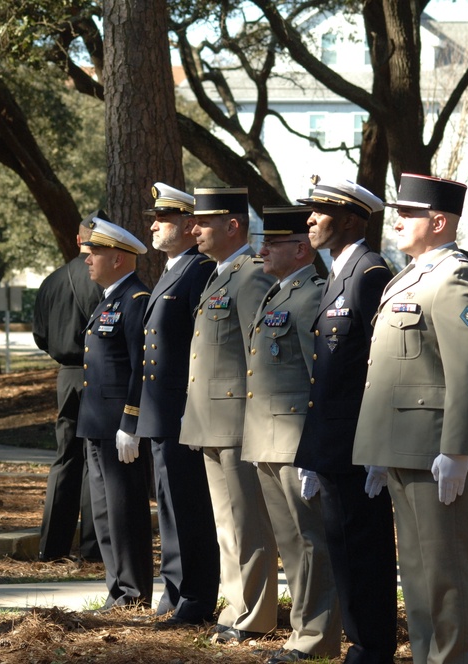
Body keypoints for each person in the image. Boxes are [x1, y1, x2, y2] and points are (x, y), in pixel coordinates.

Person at [353, 173, 468, 664]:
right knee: (416, 573)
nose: (398, 220)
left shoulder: (455, 277)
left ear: (438, 221)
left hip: (436, 448)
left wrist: (457, 449)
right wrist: (378, 446)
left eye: (409, 213)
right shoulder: (411, 274)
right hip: (403, 445)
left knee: (447, 573)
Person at [294, 178, 397, 664]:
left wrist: (377, 445)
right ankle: (361, 642)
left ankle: (372, 645)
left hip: (359, 441)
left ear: (353, 220)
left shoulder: (370, 273)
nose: (309, 220)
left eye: (320, 212)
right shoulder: (339, 272)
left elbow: (380, 365)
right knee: (343, 546)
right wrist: (313, 448)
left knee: (365, 547)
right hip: (334, 440)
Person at [241, 205, 341, 663]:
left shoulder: (310, 296)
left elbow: (320, 378)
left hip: (296, 442)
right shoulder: (278, 293)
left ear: (301, 249)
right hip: (266, 438)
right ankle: (302, 629)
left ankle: (316, 635)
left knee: (309, 541)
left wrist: (315, 451)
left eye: (272, 243)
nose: (261, 249)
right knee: (290, 543)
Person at [179, 187, 279, 643]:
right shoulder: (220, 274)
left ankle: (255, 615)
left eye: (203, 222)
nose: (193, 228)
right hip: (211, 422)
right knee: (226, 526)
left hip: (239, 422)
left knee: (248, 524)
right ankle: (236, 606)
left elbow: (260, 356)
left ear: (232, 225)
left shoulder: (251, 275)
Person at [134, 183, 219, 628]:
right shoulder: (173, 270)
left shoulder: (200, 270)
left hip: (183, 413)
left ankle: (196, 596)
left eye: (162, 220)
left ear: (189, 225)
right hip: (162, 414)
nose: (153, 225)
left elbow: (200, 347)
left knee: (188, 508)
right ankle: (174, 590)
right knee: (168, 506)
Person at [75, 213, 154, 611]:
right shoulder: (109, 300)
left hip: (119, 428)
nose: (87, 259)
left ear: (118, 259)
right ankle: (117, 587)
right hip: (96, 424)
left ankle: (135, 591)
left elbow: (142, 366)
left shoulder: (136, 301)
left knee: (126, 513)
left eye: (96, 252)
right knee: (104, 515)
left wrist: (131, 422)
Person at [32, 214, 103, 563]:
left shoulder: (51, 281)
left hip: (66, 375)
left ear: (78, 240)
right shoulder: (102, 279)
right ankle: (94, 549)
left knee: (64, 459)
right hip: (100, 374)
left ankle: (52, 546)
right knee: (96, 460)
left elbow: (40, 335)